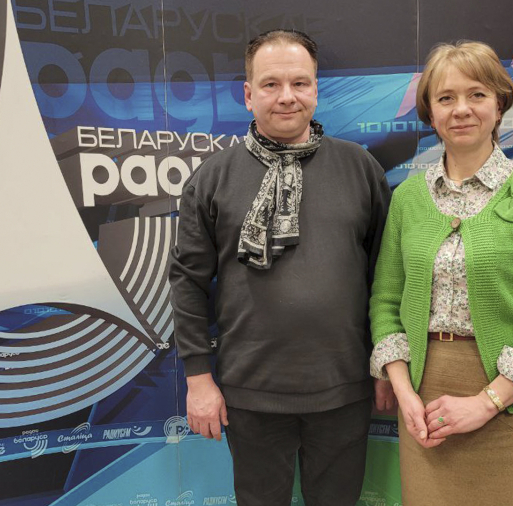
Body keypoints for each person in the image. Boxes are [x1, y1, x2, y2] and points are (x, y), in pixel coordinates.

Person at [169, 29, 394, 506]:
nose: (287, 96)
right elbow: (187, 282)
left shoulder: (360, 168)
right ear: (248, 94)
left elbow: (385, 277)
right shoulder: (213, 177)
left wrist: (385, 364)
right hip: (250, 393)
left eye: (299, 83)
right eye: (271, 84)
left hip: (344, 389)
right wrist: (198, 378)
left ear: (316, 90)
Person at [369, 40, 513, 506]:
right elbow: (386, 304)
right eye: (446, 98)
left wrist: (486, 403)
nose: (461, 109)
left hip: (510, 408)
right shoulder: (407, 198)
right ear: (430, 113)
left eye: (477, 94)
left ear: (499, 104)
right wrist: (404, 393)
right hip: (424, 408)